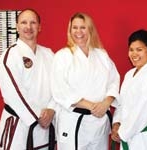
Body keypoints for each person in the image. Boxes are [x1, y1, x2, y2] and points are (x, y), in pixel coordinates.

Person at [50, 12, 120, 150]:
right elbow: (60, 90)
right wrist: (91, 106)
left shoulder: (102, 55)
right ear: (69, 31)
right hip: (73, 120)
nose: (78, 32)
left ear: (90, 29)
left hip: (98, 122)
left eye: (83, 27)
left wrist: (106, 103)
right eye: (74, 27)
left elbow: (114, 81)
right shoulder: (62, 56)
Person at [0, 9, 56, 150]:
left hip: (45, 128)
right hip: (19, 128)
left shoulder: (49, 54)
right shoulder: (10, 55)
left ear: (39, 27)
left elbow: (59, 86)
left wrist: (52, 109)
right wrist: (38, 116)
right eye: (24, 22)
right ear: (17, 27)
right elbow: (13, 94)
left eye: (33, 22)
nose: (28, 27)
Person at [111, 29, 147, 150]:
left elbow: (143, 111)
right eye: (131, 50)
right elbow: (121, 104)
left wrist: (122, 133)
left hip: (144, 139)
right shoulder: (129, 74)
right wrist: (116, 123)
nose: (134, 54)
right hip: (127, 134)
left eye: (139, 50)